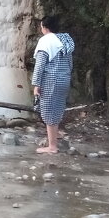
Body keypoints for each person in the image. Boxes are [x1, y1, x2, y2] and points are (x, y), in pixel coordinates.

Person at [32, 15, 75, 154]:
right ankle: (54, 138)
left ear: (44, 27)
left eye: (41, 26)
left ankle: (52, 146)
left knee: (48, 110)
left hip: (51, 80)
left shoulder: (46, 41)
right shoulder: (65, 39)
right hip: (64, 79)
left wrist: (36, 84)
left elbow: (40, 65)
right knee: (57, 108)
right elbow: (70, 63)